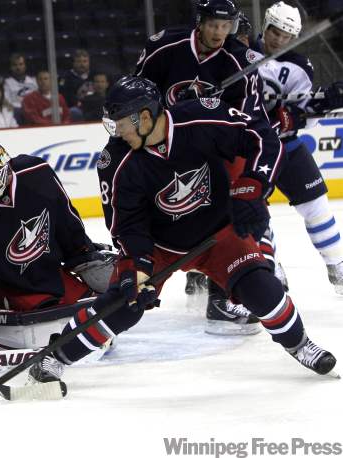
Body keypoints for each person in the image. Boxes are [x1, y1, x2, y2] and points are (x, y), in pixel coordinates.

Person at [28, 76, 337, 390]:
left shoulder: (200, 119)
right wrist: (139, 270)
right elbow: (127, 225)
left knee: (261, 288)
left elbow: (262, 139)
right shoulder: (116, 161)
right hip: (160, 247)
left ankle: (300, 345)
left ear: (145, 117)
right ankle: (55, 356)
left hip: (219, 233)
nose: (117, 131)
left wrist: (252, 189)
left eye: (121, 123)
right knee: (124, 305)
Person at [134, 0, 268, 333]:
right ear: (200, 22)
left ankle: (221, 298)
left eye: (226, 27)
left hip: (218, 151)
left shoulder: (241, 61)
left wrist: (213, 112)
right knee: (166, 213)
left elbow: (250, 124)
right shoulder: (165, 47)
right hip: (167, 145)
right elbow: (137, 97)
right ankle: (135, 287)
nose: (219, 33)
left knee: (227, 214)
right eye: (213, 25)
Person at [0, 139, 115, 365]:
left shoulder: (38, 174)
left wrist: (84, 255)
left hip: (44, 273)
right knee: (44, 308)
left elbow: (67, 221)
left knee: (98, 303)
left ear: (7, 170)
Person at [250, 1, 343, 294]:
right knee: (253, 211)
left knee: (316, 206)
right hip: (249, 149)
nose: (279, 40)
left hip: (286, 147)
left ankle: (338, 264)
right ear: (265, 26)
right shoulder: (240, 55)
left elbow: (301, 115)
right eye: (275, 32)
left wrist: (321, 104)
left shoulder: (301, 66)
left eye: (286, 36)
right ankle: (269, 268)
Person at [58, 49, 92, 121]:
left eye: (85, 61)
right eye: (79, 61)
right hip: (76, 107)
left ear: (89, 62)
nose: (82, 64)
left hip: (93, 105)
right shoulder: (66, 78)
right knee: (74, 112)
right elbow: (66, 97)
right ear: (73, 63)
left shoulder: (95, 75)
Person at [3, 53, 37, 122]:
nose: (18, 67)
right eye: (15, 65)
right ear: (10, 67)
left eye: (21, 64)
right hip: (17, 116)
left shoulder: (34, 81)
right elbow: (6, 104)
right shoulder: (6, 83)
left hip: (34, 114)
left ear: (25, 66)